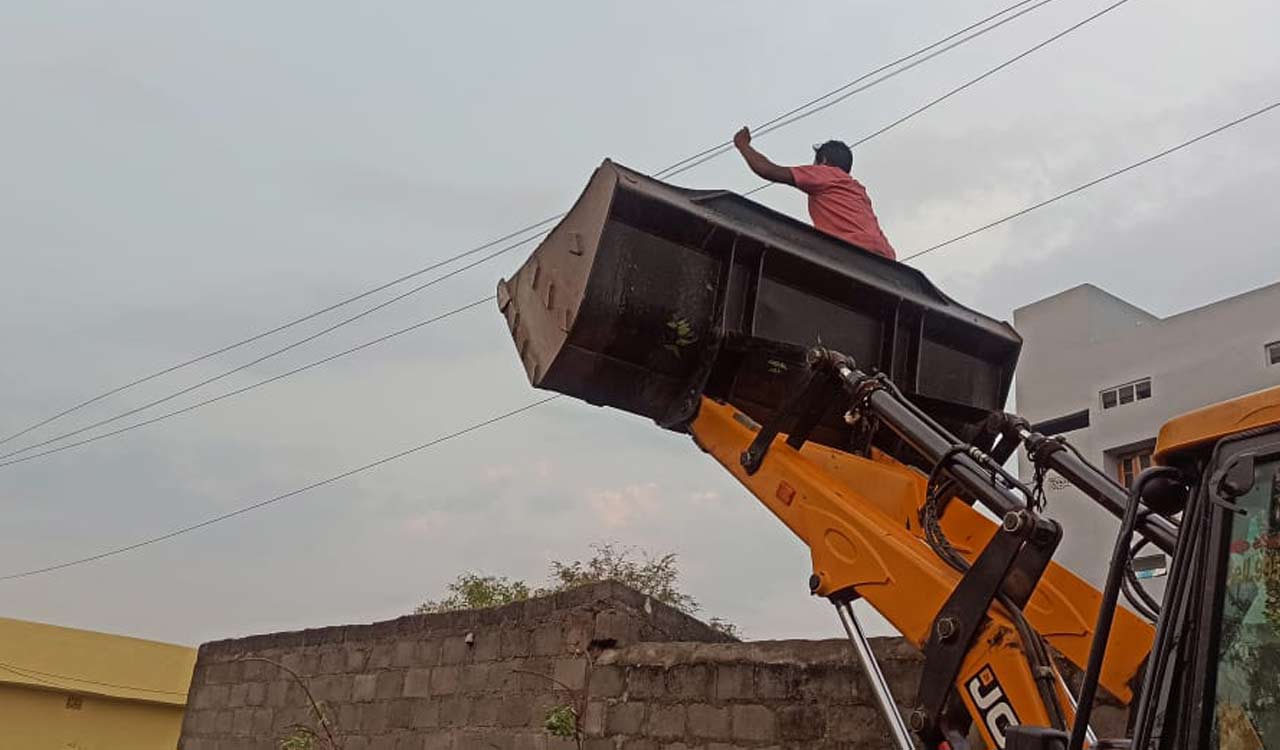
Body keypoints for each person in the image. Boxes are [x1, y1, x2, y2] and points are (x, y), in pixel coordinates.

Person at [732, 126, 896, 260]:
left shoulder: (824, 174)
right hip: (886, 259)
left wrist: (743, 145)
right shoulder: (858, 190)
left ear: (823, 160)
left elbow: (768, 170)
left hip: (852, 252)